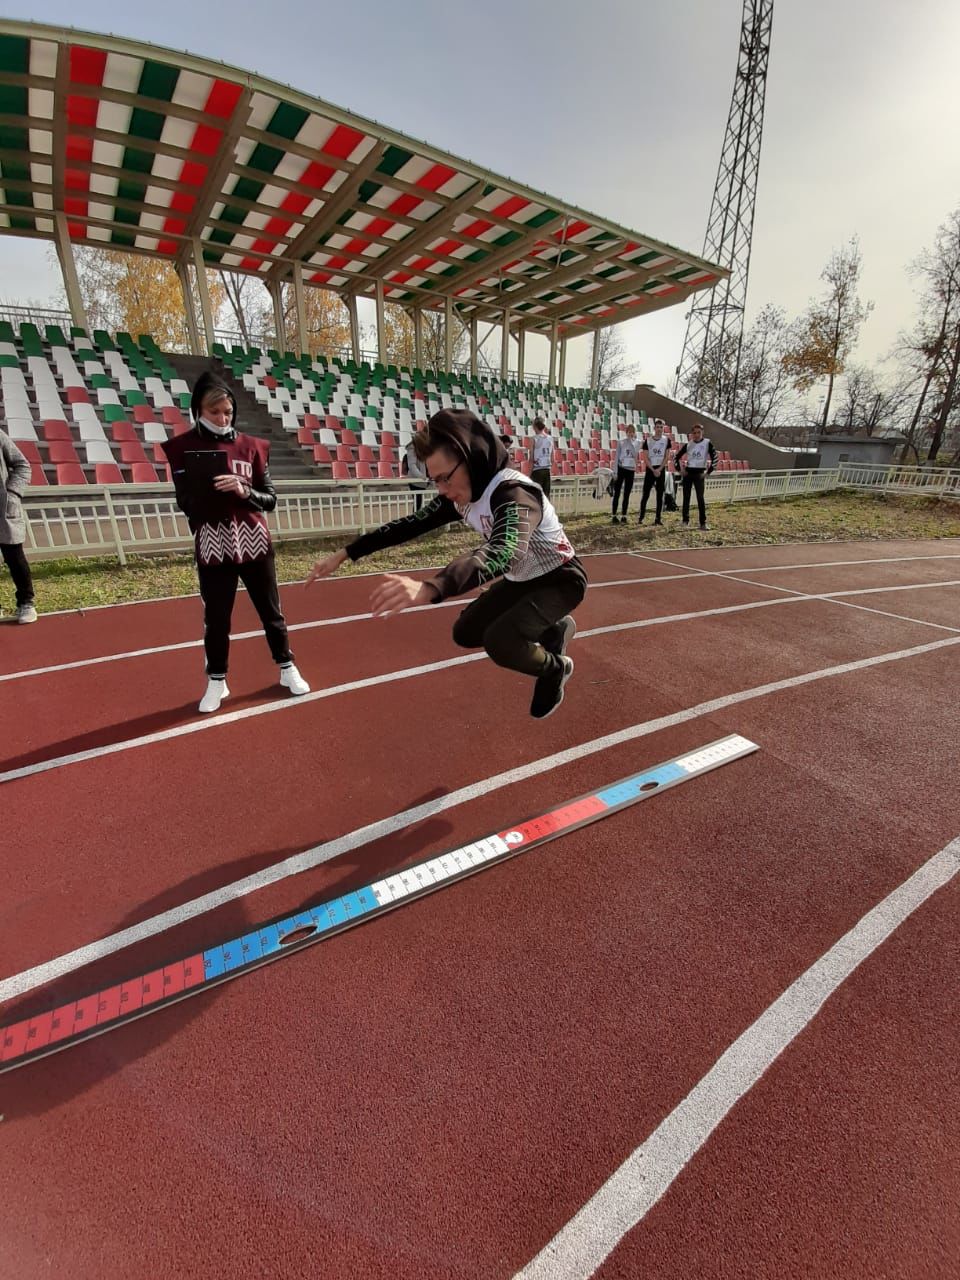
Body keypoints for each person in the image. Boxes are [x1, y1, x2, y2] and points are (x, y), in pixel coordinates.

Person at [307, 409, 587, 719]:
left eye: (444, 478)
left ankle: (555, 669)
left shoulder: (514, 494)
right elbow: (410, 525)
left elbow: (504, 551)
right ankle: (554, 627)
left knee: (500, 641)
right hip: (522, 579)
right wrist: (347, 552)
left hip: (559, 580)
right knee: (466, 632)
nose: (440, 489)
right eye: (434, 480)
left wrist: (433, 587)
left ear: (472, 459)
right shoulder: (461, 495)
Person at [162, 372, 309, 714]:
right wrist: (208, 492)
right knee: (217, 618)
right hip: (213, 543)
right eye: (215, 412)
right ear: (198, 409)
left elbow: (270, 499)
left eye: (227, 412)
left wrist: (244, 491)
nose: (223, 419)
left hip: (255, 541)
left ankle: (287, 667)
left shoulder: (253, 447)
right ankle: (217, 679)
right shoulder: (181, 449)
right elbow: (184, 502)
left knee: (271, 612)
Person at [0, 429, 37, 623]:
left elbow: (23, 465)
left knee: (15, 558)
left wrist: (13, 493)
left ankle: (26, 603)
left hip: (3, 508)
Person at [675, 423, 717, 530]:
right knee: (686, 498)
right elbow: (676, 457)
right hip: (688, 474)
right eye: (694, 433)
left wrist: (708, 473)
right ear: (691, 434)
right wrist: (681, 470)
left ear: (702, 433)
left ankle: (703, 523)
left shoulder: (707, 443)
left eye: (699, 432)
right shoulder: (688, 444)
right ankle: (685, 521)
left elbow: (715, 458)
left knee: (700, 498)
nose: (697, 435)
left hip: (699, 474)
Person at [638, 418, 670, 526]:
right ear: (654, 428)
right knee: (645, 494)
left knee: (660, 495)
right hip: (650, 470)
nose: (659, 429)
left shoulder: (666, 440)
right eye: (658, 427)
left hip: (660, 470)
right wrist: (653, 469)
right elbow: (645, 458)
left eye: (661, 427)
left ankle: (658, 518)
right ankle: (641, 517)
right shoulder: (648, 441)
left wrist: (659, 469)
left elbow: (667, 457)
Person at [610, 424, 639, 524]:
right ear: (626, 432)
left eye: (632, 431)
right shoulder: (621, 442)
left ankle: (624, 515)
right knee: (617, 493)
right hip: (621, 468)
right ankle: (614, 515)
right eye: (629, 431)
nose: (631, 433)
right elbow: (617, 456)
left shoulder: (637, 443)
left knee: (627, 494)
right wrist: (615, 472)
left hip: (630, 470)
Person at [401, 437, 428, 511]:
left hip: (423, 480)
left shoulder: (423, 447)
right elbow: (412, 466)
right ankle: (416, 519)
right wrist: (422, 476)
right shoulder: (412, 448)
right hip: (416, 480)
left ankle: (418, 519)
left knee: (420, 502)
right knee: (418, 502)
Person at [531, 418, 553, 495]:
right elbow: (552, 456)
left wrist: (529, 472)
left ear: (534, 427)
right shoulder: (550, 438)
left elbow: (531, 458)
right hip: (547, 469)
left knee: (536, 495)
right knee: (546, 495)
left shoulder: (534, 438)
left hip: (537, 469)